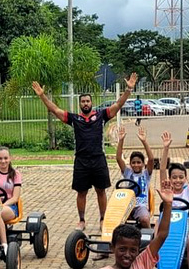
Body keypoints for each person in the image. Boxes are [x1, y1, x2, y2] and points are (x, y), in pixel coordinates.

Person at [32, 73, 138, 230]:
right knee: (81, 192)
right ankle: (81, 220)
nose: (86, 103)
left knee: (101, 191)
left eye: (88, 101)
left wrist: (129, 89)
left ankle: (103, 219)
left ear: (91, 103)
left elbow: (117, 105)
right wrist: (42, 96)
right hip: (81, 161)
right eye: (83, 101)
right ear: (80, 103)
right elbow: (54, 109)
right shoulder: (74, 119)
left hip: (98, 159)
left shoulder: (101, 115)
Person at [159, 130, 189, 269]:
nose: (177, 180)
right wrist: (166, 148)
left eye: (181, 177)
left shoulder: (188, 192)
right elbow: (162, 169)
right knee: (156, 237)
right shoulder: (167, 189)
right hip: (168, 225)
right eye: (174, 177)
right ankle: (152, 267)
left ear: (185, 179)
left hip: (185, 227)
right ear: (170, 179)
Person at [112, 124, 154, 228]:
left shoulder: (146, 174)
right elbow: (118, 158)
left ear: (143, 164)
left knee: (144, 219)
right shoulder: (128, 173)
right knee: (115, 218)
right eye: (133, 162)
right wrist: (121, 140)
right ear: (130, 164)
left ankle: (149, 238)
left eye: (139, 162)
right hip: (126, 205)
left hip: (140, 206)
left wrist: (144, 141)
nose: (136, 165)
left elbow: (152, 159)